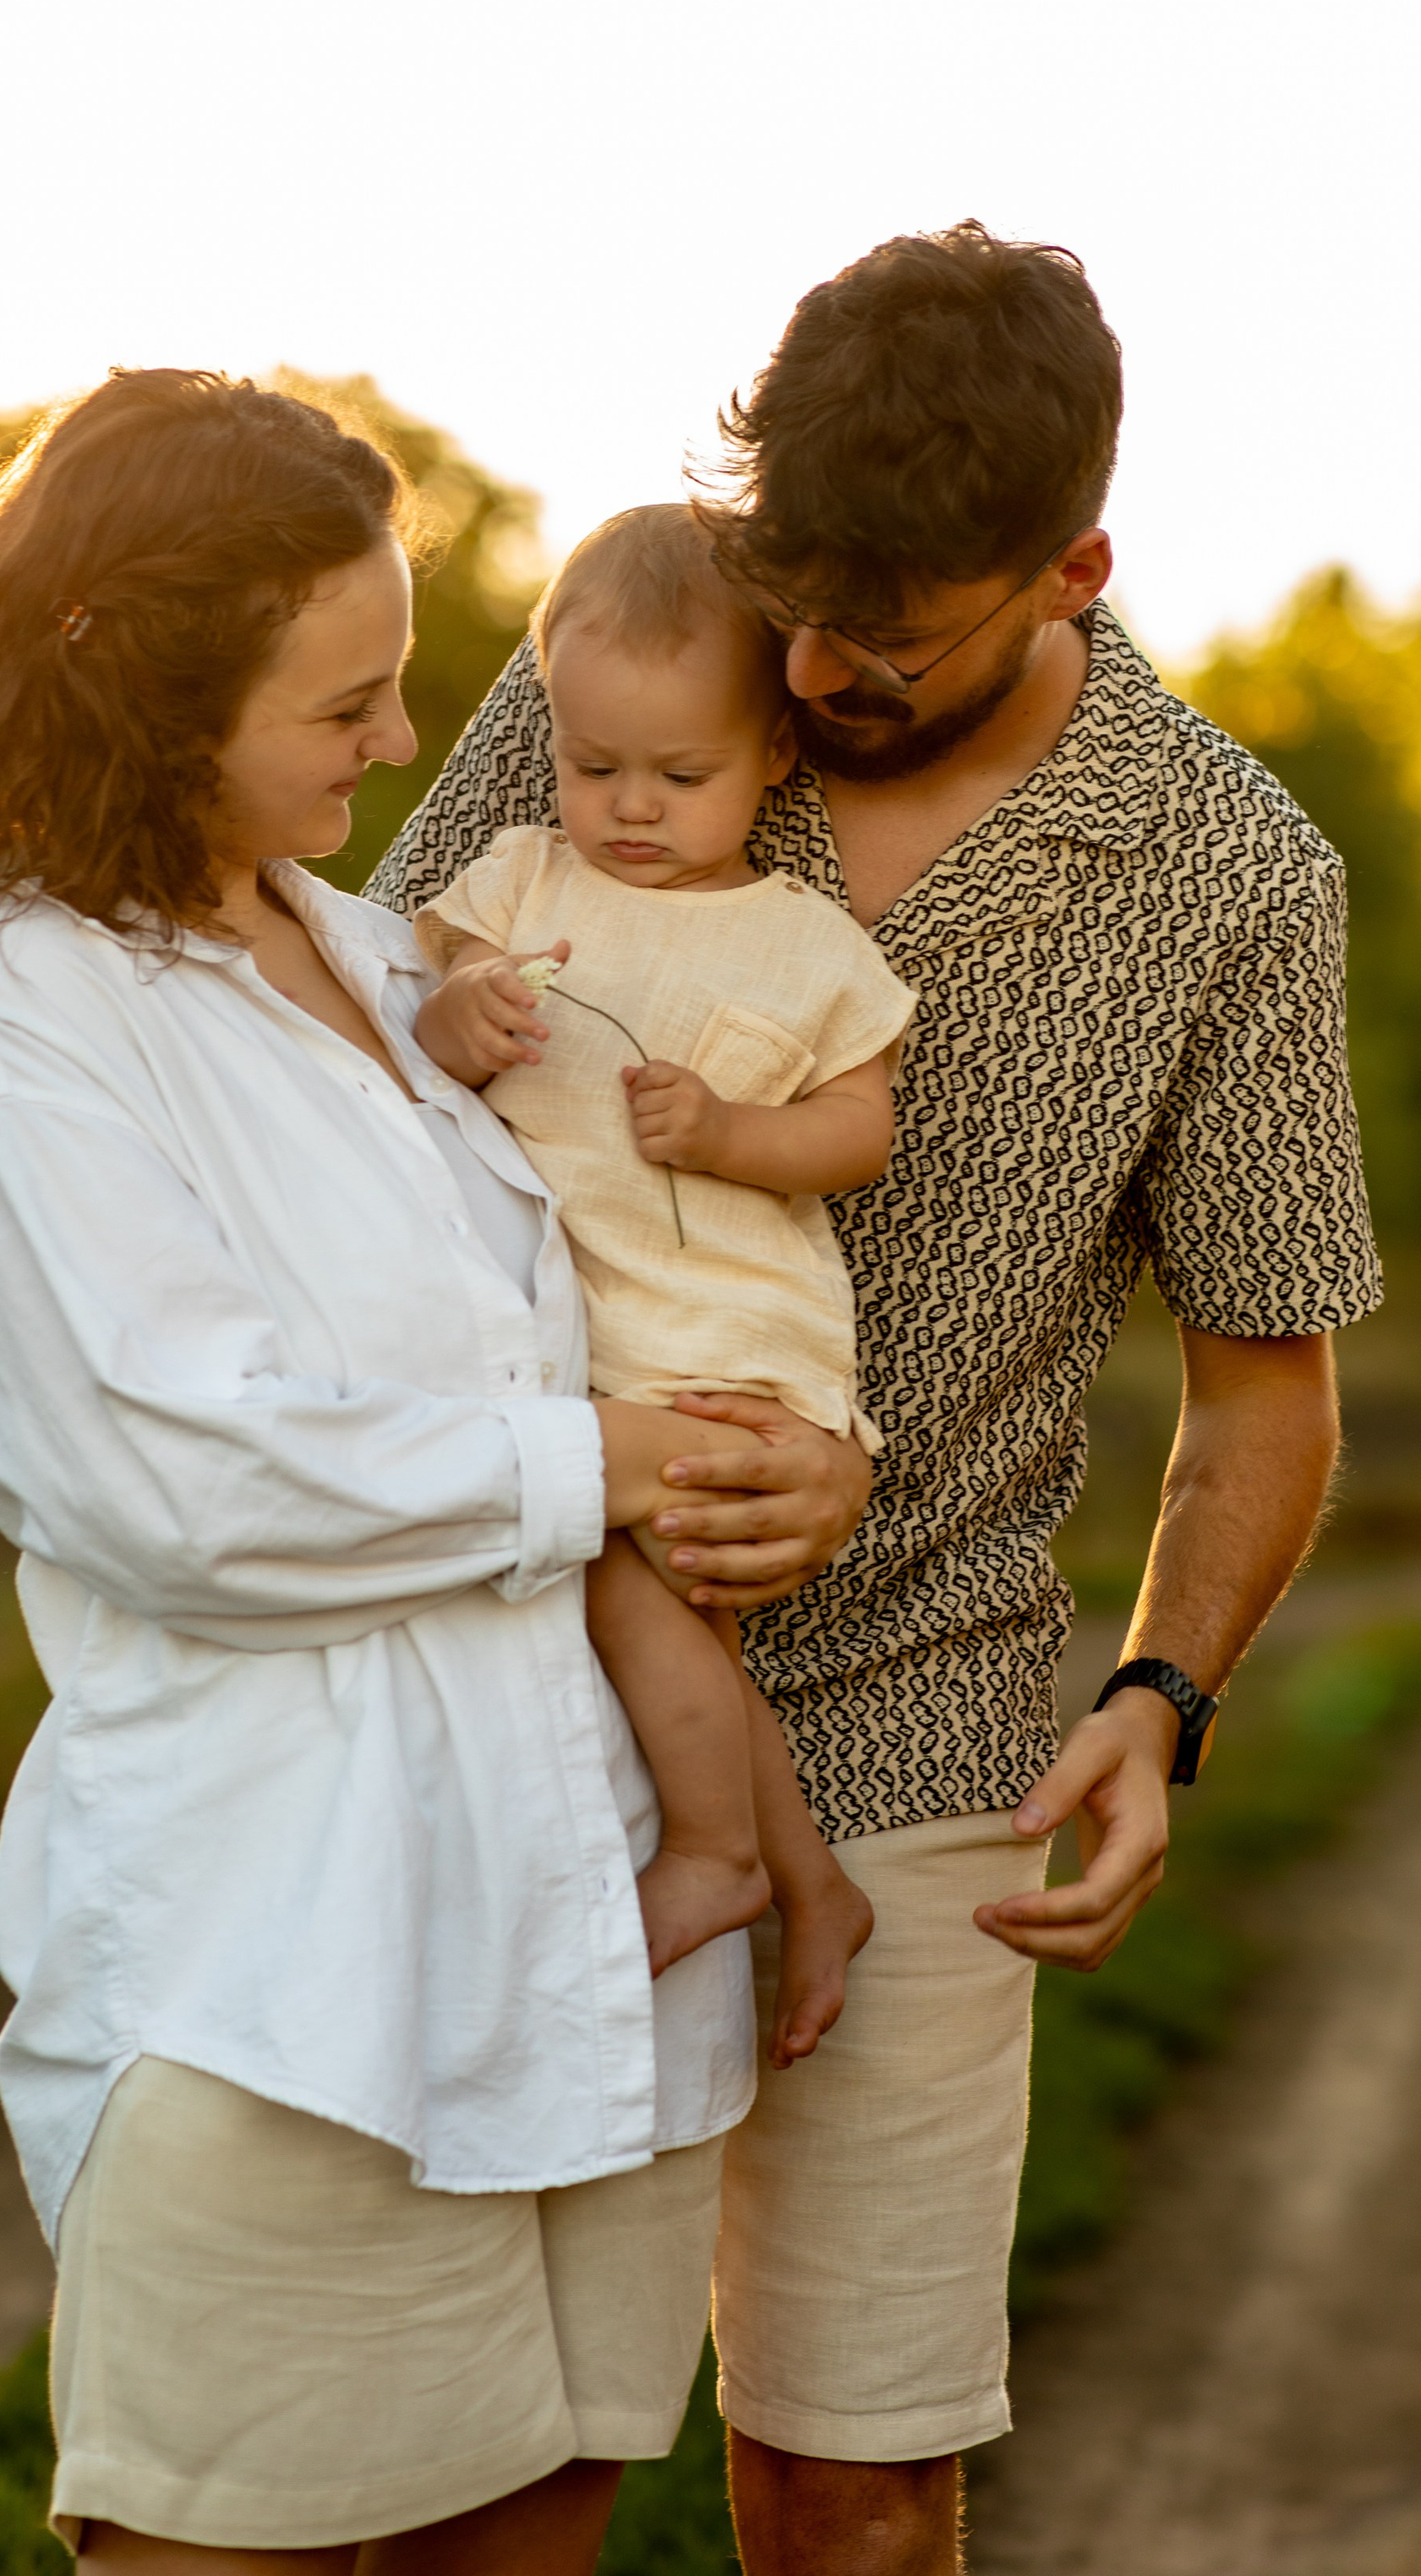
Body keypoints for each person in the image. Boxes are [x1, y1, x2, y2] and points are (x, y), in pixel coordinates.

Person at [369, 224, 1382, 2576]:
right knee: (488, 2468)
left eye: (884, 635)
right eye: (791, 596)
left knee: (852, 2481)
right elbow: (367, 1074)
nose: (811, 669)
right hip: (516, 1683)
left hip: (926, 1739)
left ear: (1077, 568)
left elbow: (1267, 1381)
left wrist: (1162, 1698)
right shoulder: (636, 656)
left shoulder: (1230, 875)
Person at [0, 369, 872, 2573]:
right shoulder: (32, 1022)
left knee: (533, 2532)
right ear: (138, 675)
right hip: (282, 1964)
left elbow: (649, 1295)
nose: (402, 750)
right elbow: (185, 1482)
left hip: (588, 1930)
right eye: (349, 700)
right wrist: (611, 1461)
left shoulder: (405, 963)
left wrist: (785, 1500)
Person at [413, 505, 914, 2066]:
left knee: (630, 1582)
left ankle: (723, 1854)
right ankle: (810, 1882)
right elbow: (408, 1010)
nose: (628, 809)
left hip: (719, 1337)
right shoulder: (513, 882)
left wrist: (733, 1131)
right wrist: (460, 1020)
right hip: (580, 1333)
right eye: (591, 764)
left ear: (773, 753)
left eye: (678, 775)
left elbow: (865, 1129)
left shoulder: (804, 946)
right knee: (669, 1613)